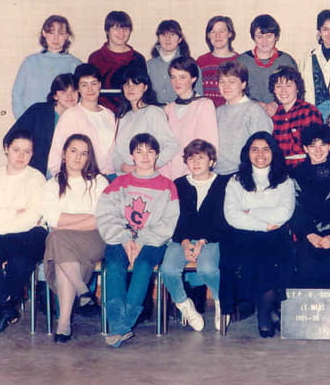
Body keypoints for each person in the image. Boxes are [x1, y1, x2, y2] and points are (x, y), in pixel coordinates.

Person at [96, 133, 179, 348]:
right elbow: (106, 215)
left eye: (150, 151)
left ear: (157, 155)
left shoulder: (167, 186)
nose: (145, 156)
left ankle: (122, 326)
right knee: (114, 266)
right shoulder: (118, 183)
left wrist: (142, 241)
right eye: (139, 151)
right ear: (131, 155)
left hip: (152, 242)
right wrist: (125, 239)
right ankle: (118, 324)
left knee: (143, 266)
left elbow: (169, 222)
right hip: (119, 239)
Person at [222, 132, 295, 338]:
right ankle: (267, 311)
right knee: (252, 255)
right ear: (247, 153)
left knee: (270, 255)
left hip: (275, 234)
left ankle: (265, 312)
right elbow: (231, 215)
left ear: (273, 152)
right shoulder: (235, 180)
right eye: (255, 149)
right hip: (243, 234)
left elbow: (284, 212)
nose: (260, 154)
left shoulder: (284, 180)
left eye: (265, 149)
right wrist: (262, 224)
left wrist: (250, 212)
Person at [0, 130, 47, 334]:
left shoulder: (36, 179)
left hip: (29, 234)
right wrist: (14, 211)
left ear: (32, 153)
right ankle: (7, 308)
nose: (21, 156)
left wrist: (1, 226)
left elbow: (32, 217)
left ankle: (2, 308)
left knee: (20, 263)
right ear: (6, 149)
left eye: (27, 151)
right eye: (16, 150)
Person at [42, 134, 108, 342]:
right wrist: (87, 217)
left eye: (84, 153)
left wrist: (67, 221)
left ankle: (66, 318)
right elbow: (52, 220)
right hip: (64, 242)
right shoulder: (52, 185)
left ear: (89, 157)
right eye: (73, 151)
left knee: (57, 238)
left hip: (94, 239)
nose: (78, 157)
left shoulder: (99, 182)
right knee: (59, 243)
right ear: (63, 154)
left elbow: (100, 220)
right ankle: (78, 299)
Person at [160, 139, 230, 332]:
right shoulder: (179, 184)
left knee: (206, 268)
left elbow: (223, 219)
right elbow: (175, 217)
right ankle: (184, 305)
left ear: (211, 161)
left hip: (212, 238)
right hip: (182, 238)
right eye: (191, 158)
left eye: (201, 158)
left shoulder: (224, 183)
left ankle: (221, 301)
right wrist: (184, 242)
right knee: (168, 270)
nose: (196, 162)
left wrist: (202, 241)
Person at [290, 124, 330, 289]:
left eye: (323, 145)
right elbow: (296, 208)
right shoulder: (296, 173)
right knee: (305, 262)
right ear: (305, 148)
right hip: (308, 234)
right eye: (313, 146)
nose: (318, 151)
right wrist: (310, 234)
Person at [49, 64, 116, 177]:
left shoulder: (109, 115)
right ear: (78, 88)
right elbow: (57, 152)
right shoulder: (71, 115)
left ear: (100, 85)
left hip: (110, 174)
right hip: (83, 176)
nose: (90, 89)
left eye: (94, 83)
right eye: (84, 85)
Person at [6, 73, 78, 176]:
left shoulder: (80, 117)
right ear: (55, 95)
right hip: (35, 173)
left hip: (65, 174)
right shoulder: (38, 111)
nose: (69, 96)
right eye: (63, 92)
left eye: (74, 91)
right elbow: (10, 138)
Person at [159, 56, 219, 180]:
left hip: (193, 174)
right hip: (168, 174)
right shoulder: (167, 109)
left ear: (193, 78)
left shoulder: (204, 104)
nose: (177, 82)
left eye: (182, 77)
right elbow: (164, 146)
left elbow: (208, 145)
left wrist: (191, 174)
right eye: (173, 77)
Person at [112, 65, 179, 176]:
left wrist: (149, 168)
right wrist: (124, 167)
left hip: (149, 177)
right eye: (127, 84)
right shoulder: (123, 117)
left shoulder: (153, 112)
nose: (130, 88)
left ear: (145, 87)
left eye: (136, 84)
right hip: (125, 177)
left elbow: (172, 146)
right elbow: (115, 152)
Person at [12, 15, 81, 118]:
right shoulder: (30, 62)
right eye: (51, 32)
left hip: (63, 121)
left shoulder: (75, 64)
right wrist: (24, 120)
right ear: (44, 33)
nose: (55, 38)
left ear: (67, 36)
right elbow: (17, 95)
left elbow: (80, 98)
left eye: (61, 33)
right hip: (32, 120)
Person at [213, 60, 273, 175]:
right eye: (222, 82)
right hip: (218, 174)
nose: (226, 86)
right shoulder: (218, 111)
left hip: (243, 174)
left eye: (232, 82)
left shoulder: (254, 110)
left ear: (243, 84)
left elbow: (264, 149)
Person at [237, 14, 298, 116]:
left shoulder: (286, 61)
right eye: (260, 37)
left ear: (276, 37)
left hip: (282, 113)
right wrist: (254, 104)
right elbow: (235, 91)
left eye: (269, 36)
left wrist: (276, 104)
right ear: (253, 38)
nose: (264, 41)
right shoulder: (242, 61)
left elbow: (295, 90)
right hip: (248, 112)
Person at [87, 10, 147, 111]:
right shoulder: (95, 58)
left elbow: (143, 92)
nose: (121, 32)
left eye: (125, 28)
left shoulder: (138, 59)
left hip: (130, 113)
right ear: (107, 30)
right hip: (101, 113)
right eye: (116, 28)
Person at [269, 66, 323, 168]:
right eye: (278, 86)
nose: (283, 91)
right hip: (280, 169)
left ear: (297, 88)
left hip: (305, 167)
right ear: (274, 90)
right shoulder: (275, 115)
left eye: (288, 85)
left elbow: (318, 148)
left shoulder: (309, 111)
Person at [146, 19, 199, 104]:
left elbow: (198, 97)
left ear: (180, 39)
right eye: (163, 35)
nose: (168, 39)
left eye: (172, 34)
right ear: (158, 38)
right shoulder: (149, 65)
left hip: (183, 108)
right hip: (154, 110)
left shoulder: (189, 64)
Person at [196, 15, 239, 108]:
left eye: (222, 31)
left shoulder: (239, 61)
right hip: (206, 111)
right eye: (213, 32)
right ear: (208, 35)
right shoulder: (201, 61)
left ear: (230, 34)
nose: (217, 36)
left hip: (232, 111)